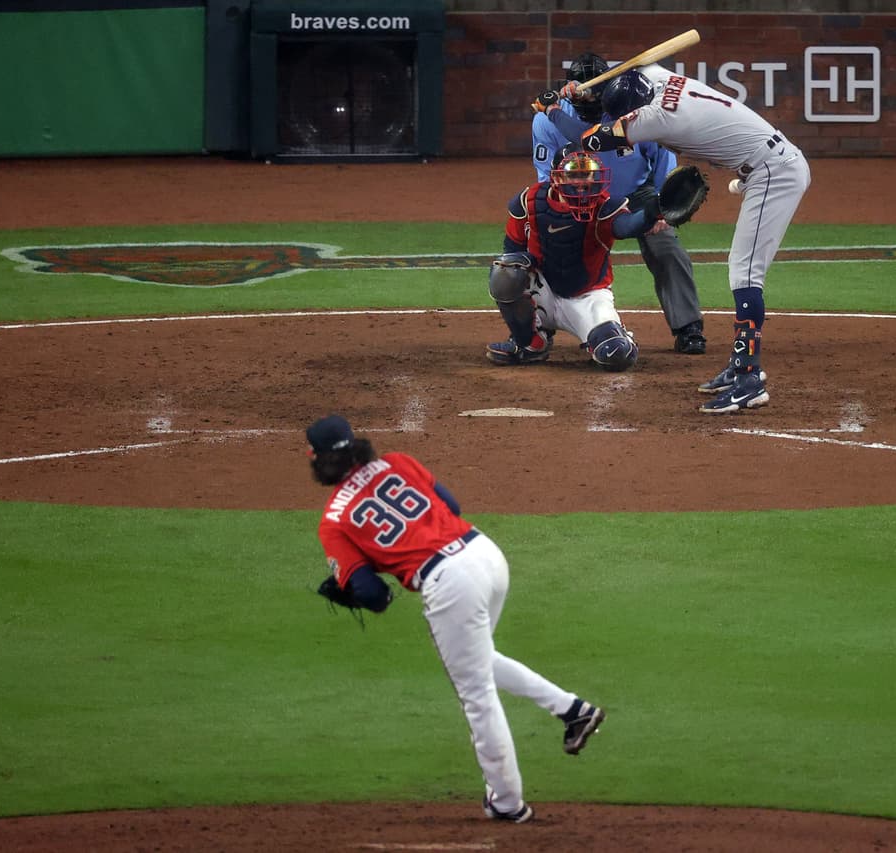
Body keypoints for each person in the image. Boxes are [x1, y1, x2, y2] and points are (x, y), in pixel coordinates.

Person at [305, 414, 606, 824]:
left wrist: (363, 579)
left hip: (449, 584)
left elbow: (375, 597)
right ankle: (573, 710)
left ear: (315, 458)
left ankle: (506, 801)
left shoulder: (334, 522)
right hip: (485, 553)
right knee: (479, 659)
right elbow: (451, 506)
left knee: (477, 694)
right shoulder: (397, 461)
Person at [540, 64, 811, 414]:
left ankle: (749, 378)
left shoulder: (656, 119)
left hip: (774, 173)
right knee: (742, 271)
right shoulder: (656, 75)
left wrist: (551, 109)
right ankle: (739, 368)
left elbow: (590, 138)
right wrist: (584, 87)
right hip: (766, 162)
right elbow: (623, 67)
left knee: (744, 273)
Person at [532, 52, 707, 355]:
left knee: (665, 246)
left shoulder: (632, 111)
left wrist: (663, 207)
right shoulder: (546, 121)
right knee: (553, 247)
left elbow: (662, 160)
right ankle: (539, 329)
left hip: (637, 194)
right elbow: (547, 177)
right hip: (579, 196)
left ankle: (688, 328)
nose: (589, 109)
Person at [485, 147, 658, 372]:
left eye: (586, 174)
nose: (581, 182)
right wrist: (527, 267)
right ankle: (530, 344)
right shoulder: (529, 201)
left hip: (587, 297)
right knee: (506, 271)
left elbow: (627, 227)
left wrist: (653, 211)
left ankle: (617, 336)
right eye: (573, 174)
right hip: (543, 291)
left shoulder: (604, 205)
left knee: (616, 355)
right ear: (557, 176)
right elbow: (512, 249)